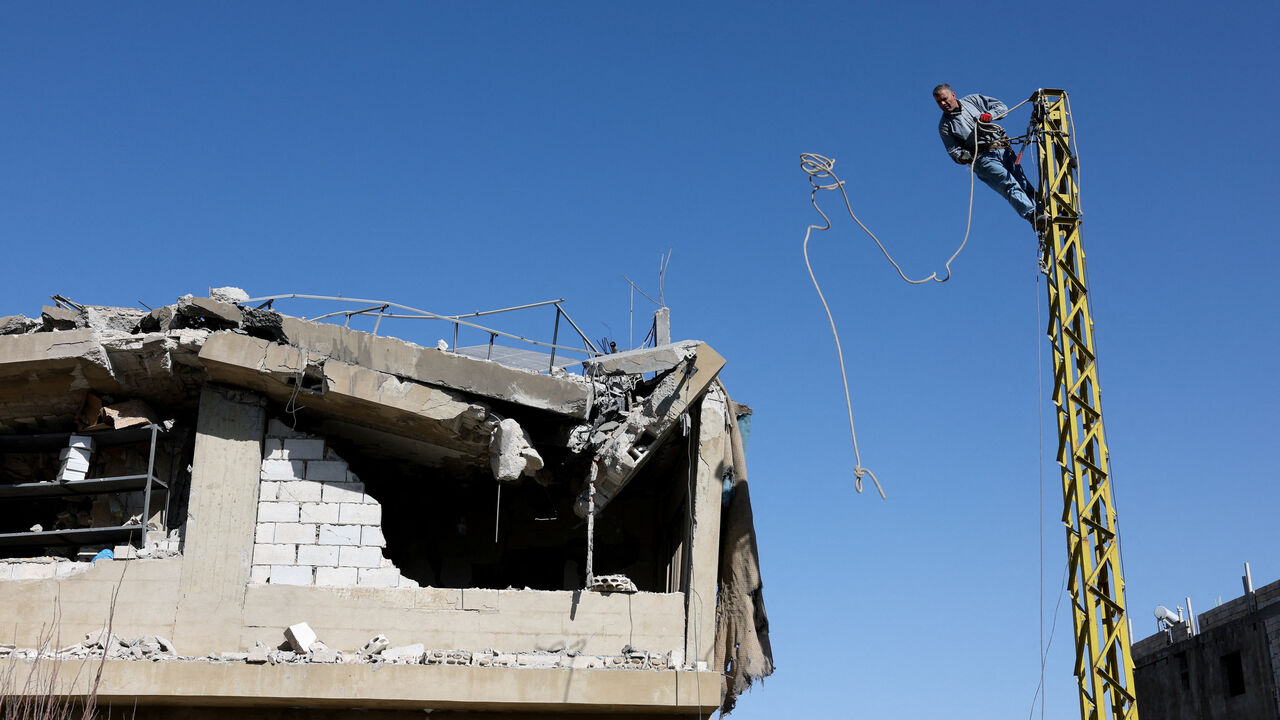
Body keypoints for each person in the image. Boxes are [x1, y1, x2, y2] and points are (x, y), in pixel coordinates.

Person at [933, 84, 1046, 230]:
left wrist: (990, 115)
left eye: (944, 99)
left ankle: (1044, 214)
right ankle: (1032, 216)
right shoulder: (945, 126)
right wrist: (963, 157)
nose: (943, 104)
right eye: (939, 102)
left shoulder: (973, 100)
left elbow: (1001, 107)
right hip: (982, 158)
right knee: (1007, 182)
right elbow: (953, 150)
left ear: (953, 95)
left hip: (1003, 148)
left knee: (1023, 185)